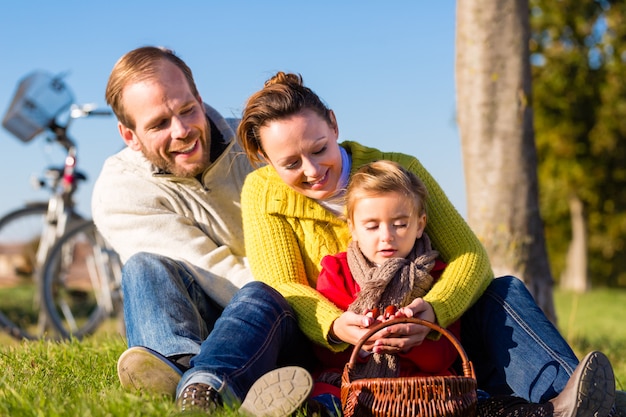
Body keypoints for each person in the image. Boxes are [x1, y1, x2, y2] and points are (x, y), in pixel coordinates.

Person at [236, 71, 619, 416]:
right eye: (290, 163)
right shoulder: (261, 192)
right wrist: (335, 325)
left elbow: (471, 258)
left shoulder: (400, 169)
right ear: (266, 159)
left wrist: (433, 312)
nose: (313, 170)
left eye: (319, 149)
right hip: (333, 350)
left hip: (434, 341)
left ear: (334, 125)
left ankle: (579, 398)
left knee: (504, 290)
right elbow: (283, 286)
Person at [92, 46, 316, 416]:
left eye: (186, 110)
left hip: (286, 309)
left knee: (262, 292)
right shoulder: (119, 190)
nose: (181, 131)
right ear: (129, 135)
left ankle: (201, 384)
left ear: (199, 97)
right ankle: (192, 372)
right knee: (144, 268)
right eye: (159, 124)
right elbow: (210, 268)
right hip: (211, 313)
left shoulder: (259, 145)